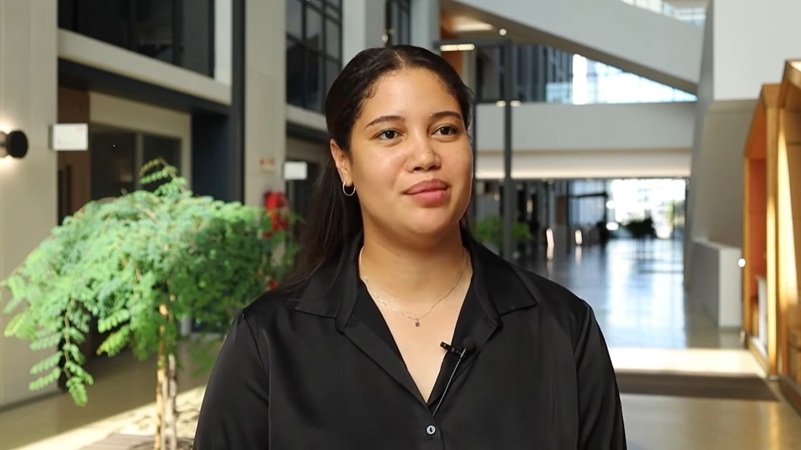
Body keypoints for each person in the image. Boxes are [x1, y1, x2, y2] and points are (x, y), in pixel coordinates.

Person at [193, 45, 626, 449]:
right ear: (344, 161)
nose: (424, 156)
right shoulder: (267, 339)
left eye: (445, 130)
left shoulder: (564, 328)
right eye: (389, 134)